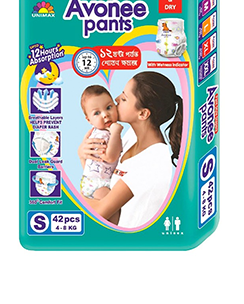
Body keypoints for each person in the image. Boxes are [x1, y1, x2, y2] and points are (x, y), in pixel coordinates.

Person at [78, 71, 183, 228]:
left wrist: (75, 196)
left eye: (124, 98)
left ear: (143, 113)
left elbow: (100, 212)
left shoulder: (152, 161)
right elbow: (101, 176)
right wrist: (83, 156)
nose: (116, 99)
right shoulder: (133, 136)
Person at [79, 85, 123, 200]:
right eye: (97, 113)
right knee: (112, 203)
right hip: (98, 184)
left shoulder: (102, 132)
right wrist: (116, 133)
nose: (105, 114)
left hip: (93, 180)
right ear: (89, 119)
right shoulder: (102, 135)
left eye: (108, 107)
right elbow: (110, 157)